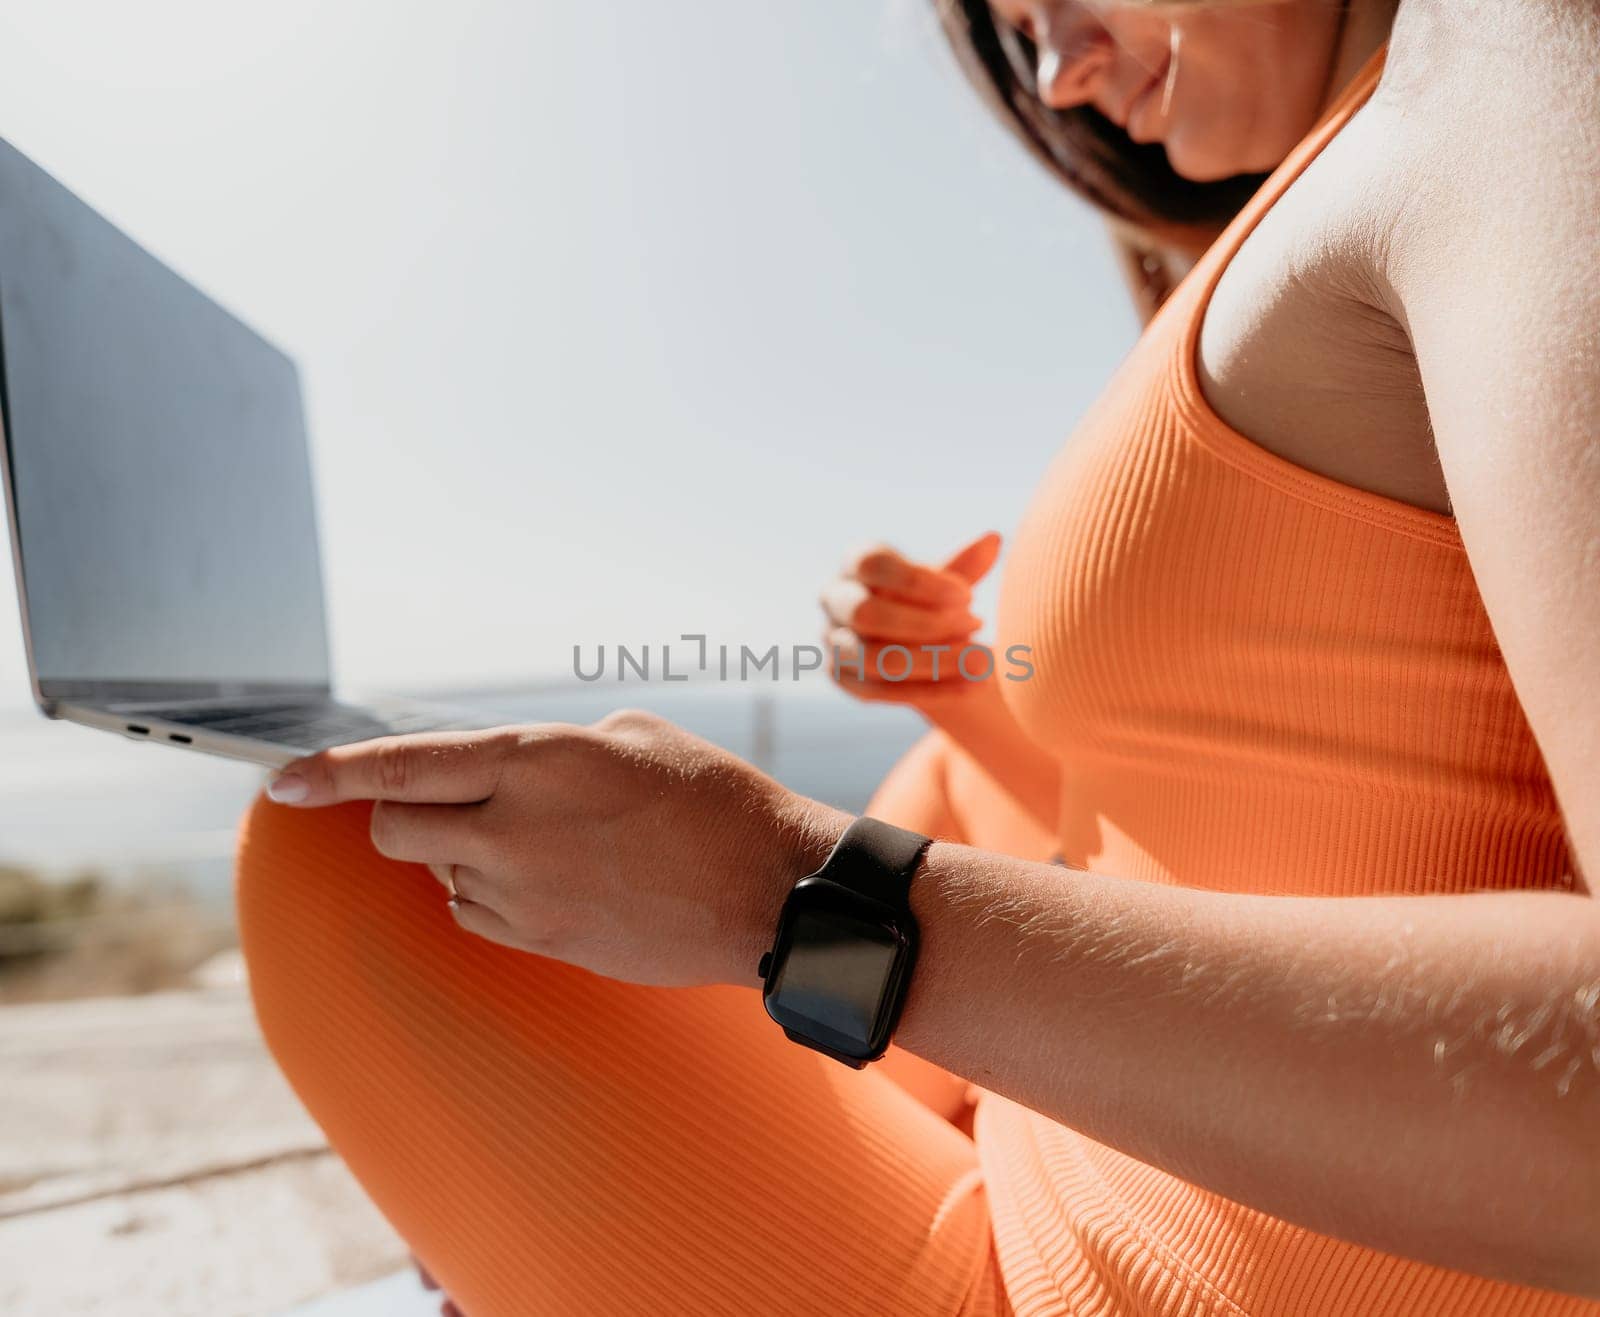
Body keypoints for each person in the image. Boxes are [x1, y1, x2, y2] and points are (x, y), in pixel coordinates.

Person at [234, 1, 1600, 1313]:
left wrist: (789, 892)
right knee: (900, 786)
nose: (1059, 74)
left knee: (360, 856)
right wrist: (961, 702)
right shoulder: (1355, 167)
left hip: (1097, 1268)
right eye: (1017, 36)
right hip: (1071, 1151)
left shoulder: (1507, 55)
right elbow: (1294, 807)